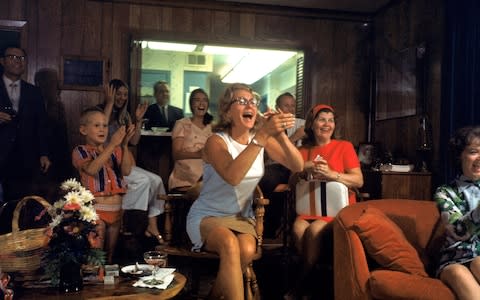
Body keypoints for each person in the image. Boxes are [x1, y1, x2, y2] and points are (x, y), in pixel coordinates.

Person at [186, 83, 304, 299]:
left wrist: (279, 135)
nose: (249, 104)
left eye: (252, 101)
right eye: (241, 101)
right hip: (208, 215)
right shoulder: (216, 142)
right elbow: (233, 176)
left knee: (247, 251)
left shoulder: (259, 141)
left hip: (241, 217)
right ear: (227, 110)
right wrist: (262, 136)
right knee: (230, 245)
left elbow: (297, 166)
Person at [286, 104, 363, 299]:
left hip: (336, 210)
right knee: (297, 229)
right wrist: (304, 168)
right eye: (322, 119)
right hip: (308, 207)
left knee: (313, 231)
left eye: (331, 120)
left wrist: (332, 174)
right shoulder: (303, 150)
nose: (327, 124)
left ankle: (300, 285)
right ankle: (314, 282)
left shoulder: (344, 146)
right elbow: (291, 182)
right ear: (312, 124)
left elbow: (358, 181)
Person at [100, 79, 167, 244]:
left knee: (157, 180)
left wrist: (137, 121)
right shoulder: (99, 112)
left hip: (124, 162)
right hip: (107, 165)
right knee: (143, 181)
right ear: (110, 93)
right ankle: (128, 222)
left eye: (124, 95)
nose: (121, 98)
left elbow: (134, 141)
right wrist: (109, 103)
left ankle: (152, 223)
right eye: (118, 94)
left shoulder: (125, 115)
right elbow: (102, 128)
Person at [72, 107, 135, 263]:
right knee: (96, 255)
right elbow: (92, 169)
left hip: (116, 211)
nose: (102, 130)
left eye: (105, 126)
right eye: (97, 126)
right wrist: (112, 144)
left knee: (110, 255)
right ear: (83, 130)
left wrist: (125, 146)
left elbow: (127, 170)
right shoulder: (81, 151)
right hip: (96, 211)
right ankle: (94, 279)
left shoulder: (115, 150)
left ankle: (107, 281)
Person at [434, 126, 480, 300]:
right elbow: (457, 231)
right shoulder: (445, 192)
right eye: (474, 152)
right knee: (459, 272)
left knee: (478, 262)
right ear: (460, 155)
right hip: (454, 257)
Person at [0, 46, 51, 202]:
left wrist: (44, 153)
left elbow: (41, 125)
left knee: (19, 202)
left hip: (25, 158)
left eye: (21, 58)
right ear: (2, 61)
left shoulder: (34, 92)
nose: (18, 61)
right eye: (13, 57)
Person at [258, 92, 306, 238]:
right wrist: (291, 139)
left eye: (293, 105)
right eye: (286, 105)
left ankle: (267, 231)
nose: (290, 109)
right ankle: (267, 230)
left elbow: (306, 130)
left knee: (266, 180)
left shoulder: (301, 123)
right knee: (267, 184)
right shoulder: (269, 125)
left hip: (293, 169)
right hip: (273, 167)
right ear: (277, 108)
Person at [168, 88, 213, 191]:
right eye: (197, 100)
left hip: (208, 177)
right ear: (191, 104)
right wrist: (199, 154)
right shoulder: (182, 124)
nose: (201, 103)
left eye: (205, 100)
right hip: (185, 179)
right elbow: (176, 154)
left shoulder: (213, 127)